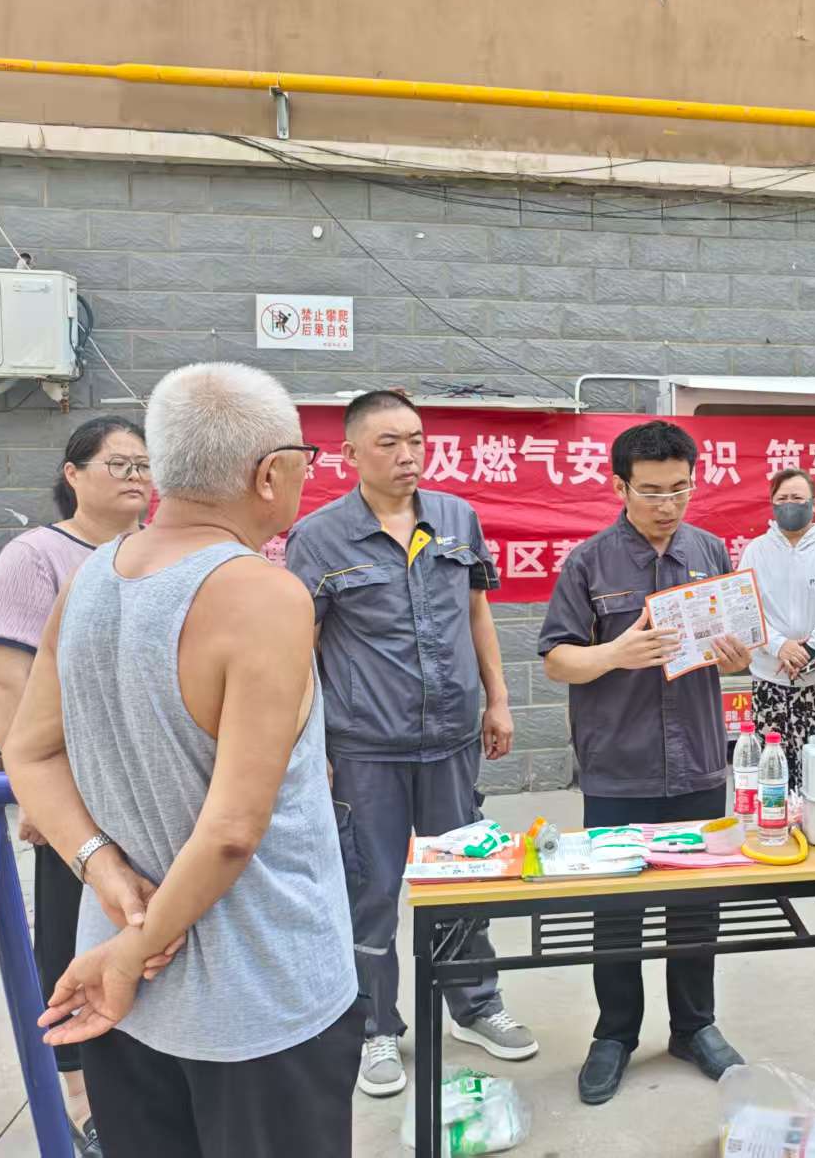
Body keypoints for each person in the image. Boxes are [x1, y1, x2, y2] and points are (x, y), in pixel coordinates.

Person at [1, 362, 361, 1158]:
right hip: (257, 997)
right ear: (269, 472)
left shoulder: (91, 575)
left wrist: (100, 867)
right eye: (304, 459)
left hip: (122, 991)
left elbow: (29, 749)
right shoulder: (263, 593)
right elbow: (232, 829)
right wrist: (136, 950)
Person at [284, 390, 530, 1099]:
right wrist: (309, 744)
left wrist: (499, 699)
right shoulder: (319, 538)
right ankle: (374, 1026)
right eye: (388, 442)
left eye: (416, 439)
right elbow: (300, 648)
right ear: (350, 454)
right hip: (366, 749)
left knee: (462, 877)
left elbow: (477, 612)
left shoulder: (455, 517)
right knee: (371, 889)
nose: (407, 455)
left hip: (451, 740)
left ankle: (475, 1005)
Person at [539, 420, 753, 1105]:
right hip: (619, 764)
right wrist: (614, 654)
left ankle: (694, 1026)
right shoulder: (589, 563)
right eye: (653, 491)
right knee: (617, 910)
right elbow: (556, 658)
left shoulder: (709, 550)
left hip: (698, 761)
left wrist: (738, 656)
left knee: (696, 908)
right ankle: (615, 1034)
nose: (668, 504)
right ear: (619, 486)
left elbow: (737, 647)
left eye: (680, 488)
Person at [0, 415, 148, 1157]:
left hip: (150, 792)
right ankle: (82, 1098)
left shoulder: (152, 552)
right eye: (119, 463)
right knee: (76, 941)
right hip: (78, 796)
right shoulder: (37, 555)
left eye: (144, 464)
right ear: (72, 474)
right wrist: (39, 787)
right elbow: (0, 680)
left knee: (141, 938)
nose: (136, 477)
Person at [738, 467, 815, 790]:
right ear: (772, 504)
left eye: (797, 497)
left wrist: (808, 648)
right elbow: (745, 610)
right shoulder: (755, 551)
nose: (790, 504)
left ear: (814, 505)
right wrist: (780, 646)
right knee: (775, 781)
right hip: (771, 682)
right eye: (782, 499)